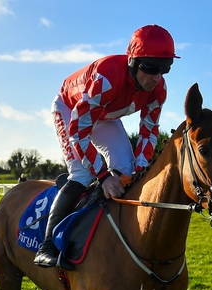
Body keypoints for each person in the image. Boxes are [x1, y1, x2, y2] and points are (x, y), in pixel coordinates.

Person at [33, 24, 178, 268]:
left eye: (165, 69)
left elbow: (149, 131)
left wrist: (142, 168)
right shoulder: (107, 78)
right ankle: (47, 245)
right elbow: (79, 131)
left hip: (105, 116)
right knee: (82, 173)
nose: (157, 77)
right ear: (132, 61)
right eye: (151, 68)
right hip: (71, 111)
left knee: (129, 171)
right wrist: (102, 177)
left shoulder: (158, 90)